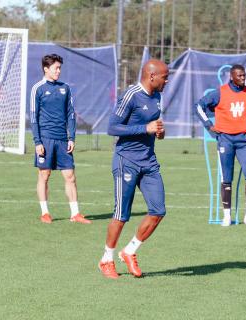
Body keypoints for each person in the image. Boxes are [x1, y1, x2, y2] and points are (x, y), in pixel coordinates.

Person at [98, 59, 168, 279]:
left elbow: (155, 124)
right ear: (152, 76)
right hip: (126, 160)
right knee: (122, 214)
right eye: (165, 77)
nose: (167, 81)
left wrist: (159, 131)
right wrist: (144, 128)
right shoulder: (131, 95)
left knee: (158, 210)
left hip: (149, 162)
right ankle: (106, 259)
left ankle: (129, 251)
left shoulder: (157, 96)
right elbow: (112, 127)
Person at [194, 64, 246, 229]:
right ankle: (226, 216)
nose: (243, 78)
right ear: (232, 77)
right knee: (226, 178)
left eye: (244, 75)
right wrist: (209, 125)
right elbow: (199, 106)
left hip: (244, 141)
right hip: (225, 140)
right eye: (240, 76)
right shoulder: (220, 92)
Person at [30, 54, 91, 225]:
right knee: (44, 174)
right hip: (46, 139)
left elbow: (71, 114)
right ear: (46, 69)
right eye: (56, 68)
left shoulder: (65, 88)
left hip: (63, 140)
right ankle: (45, 212)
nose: (59, 71)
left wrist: (71, 137)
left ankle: (75, 213)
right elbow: (33, 117)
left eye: (60, 68)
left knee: (70, 176)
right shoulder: (38, 88)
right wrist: (37, 142)